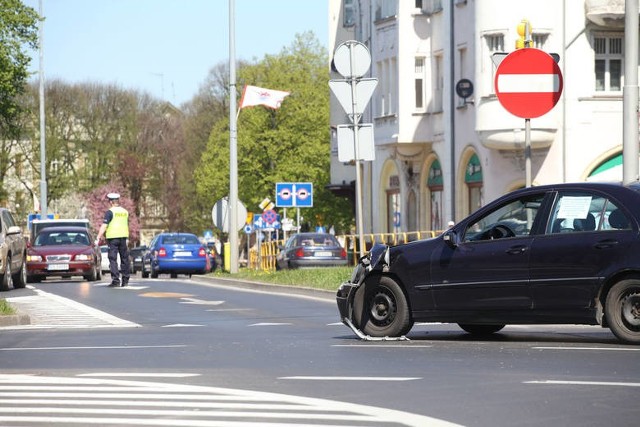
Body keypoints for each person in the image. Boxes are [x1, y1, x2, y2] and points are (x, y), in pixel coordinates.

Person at [95, 192, 130, 287]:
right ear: (118, 201)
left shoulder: (110, 212)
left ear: (110, 202)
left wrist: (98, 236)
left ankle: (116, 280)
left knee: (113, 259)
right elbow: (126, 225)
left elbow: (104, 226)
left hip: (113, 239)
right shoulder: (125, 212)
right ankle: (125, 280)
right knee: (124, 259)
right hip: (123, 238)